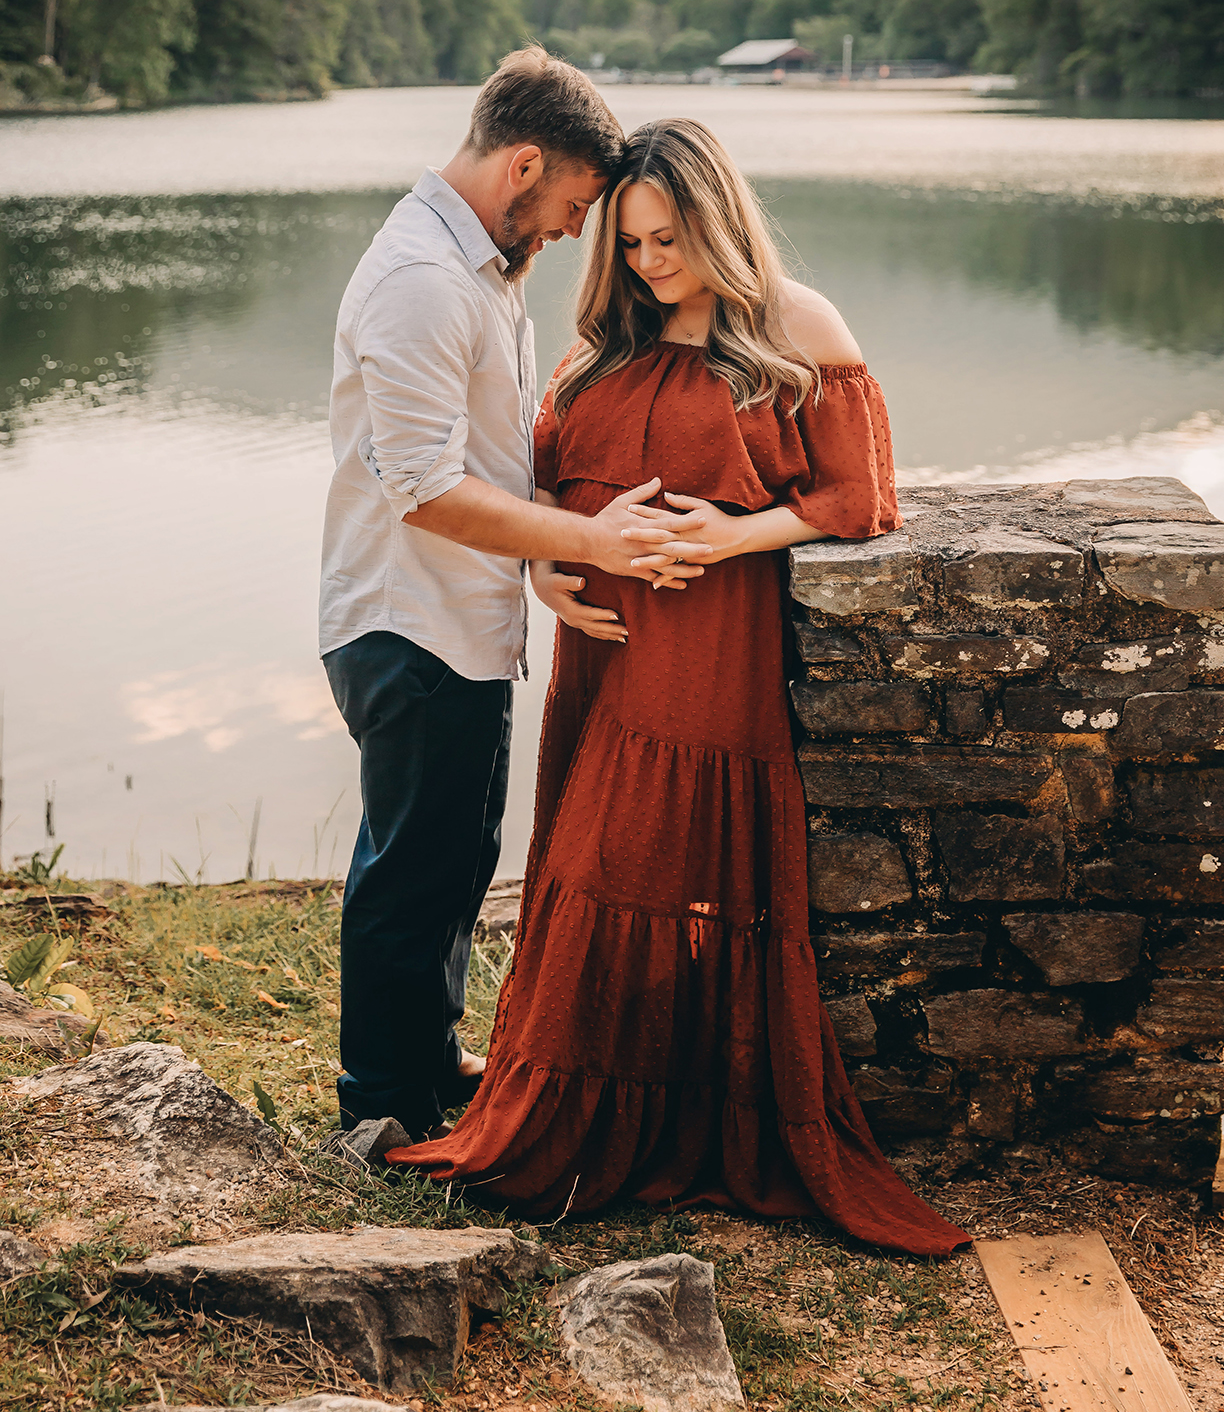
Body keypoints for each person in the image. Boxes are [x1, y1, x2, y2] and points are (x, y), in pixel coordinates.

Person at [389, 118, 967, 1255]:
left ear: (716, 220)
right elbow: (549, 487)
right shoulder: (602, 348)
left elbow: (857, 498)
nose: (649, 262)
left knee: (643, 862)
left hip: (707, 649)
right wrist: (548, 567)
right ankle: (583, 1106)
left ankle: (666, 1113)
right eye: (632, 241)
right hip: (600, 653)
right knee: (591, 861)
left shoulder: (795, 327)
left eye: (668, 239)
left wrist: (734, 533)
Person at [320, 54, 710, 1144]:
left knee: (455, 853)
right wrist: (592, 539)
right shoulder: (419, 280)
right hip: (406, 618)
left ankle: (428, 1062)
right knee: (409, 865)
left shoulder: (479, 269)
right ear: (524, 164)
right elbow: (425, 490)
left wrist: (542, 555)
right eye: (577, 207)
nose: (575, 233)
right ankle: (379, 1107)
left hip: (466, 615)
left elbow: (488, 454)